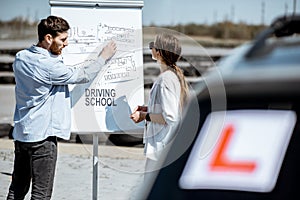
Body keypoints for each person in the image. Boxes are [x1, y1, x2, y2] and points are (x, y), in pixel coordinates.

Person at [7, 15, 116, 200]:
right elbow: (83, 75)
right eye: (63, 39)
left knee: (17, 189)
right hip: (43, 137)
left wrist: (55, 54)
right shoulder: (50, 67)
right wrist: (103, 57)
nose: (66, 44)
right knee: (41, 194)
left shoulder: (21, 58)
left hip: (22, 133)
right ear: (48, 38)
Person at [130, 33, 189, 172]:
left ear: (159, 52)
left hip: (161, 148)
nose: (151, 48)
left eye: (153, 45)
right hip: (164, 149)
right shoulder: (171, 76)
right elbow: (169, 108)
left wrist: (144, 116)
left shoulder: (166, 80)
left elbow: (170, 116)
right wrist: (146, 108)